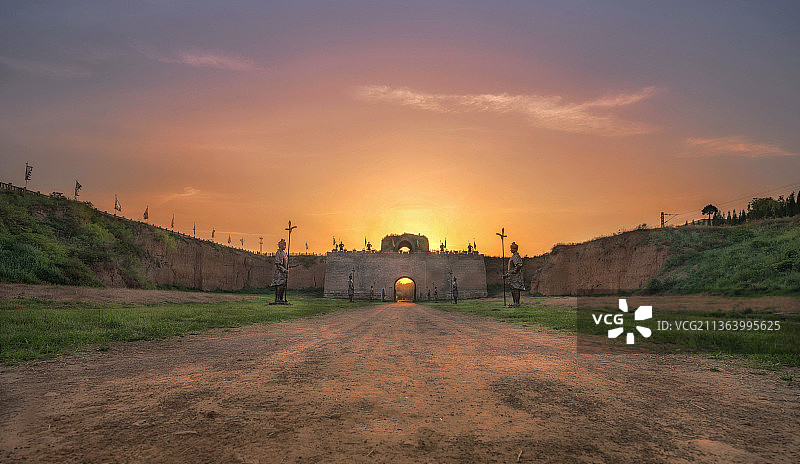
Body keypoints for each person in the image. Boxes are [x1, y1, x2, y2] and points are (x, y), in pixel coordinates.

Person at [504, 241, 524, 307]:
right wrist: (507, 275)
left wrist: (514, 271)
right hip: (512, 277)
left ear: (516, 249)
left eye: (513, 248)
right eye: (511, 248)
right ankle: (515, 302)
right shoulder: (513, 257)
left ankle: (517, 303)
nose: (511, 250)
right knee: (513, 289)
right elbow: (511, 269)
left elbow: (519, 265)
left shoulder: (516, 256)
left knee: (516, 289)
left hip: (515, 276)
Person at [270, 238, 289, 305]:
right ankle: (277, 299)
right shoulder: (279, 253)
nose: (285, 246)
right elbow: (278, 264)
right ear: (280, 245)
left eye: (285, 245)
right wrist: (284, 270)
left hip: (284, 273)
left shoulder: (284, 254)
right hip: (279, 272)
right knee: (279, 285)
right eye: (284, 244)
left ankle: (281, 299)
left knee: (283, 285)